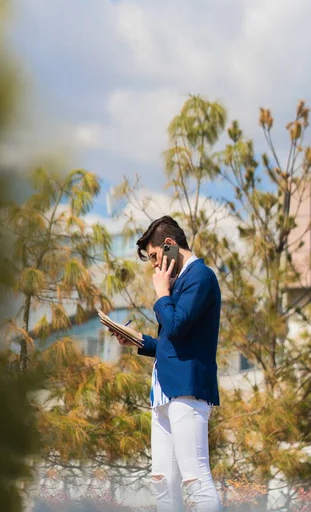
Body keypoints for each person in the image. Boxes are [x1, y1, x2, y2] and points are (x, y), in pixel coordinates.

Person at [111, 215, 221, 512]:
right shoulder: (182, 281)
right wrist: (139, 340)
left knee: (196, 479)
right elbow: (173, 343)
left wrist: (162, 292)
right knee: (162, 483)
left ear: (170, 245)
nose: (155, 266)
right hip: (164, 395)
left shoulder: (201, 276)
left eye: (156, 257)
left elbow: (176, 325)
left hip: (187, 392)